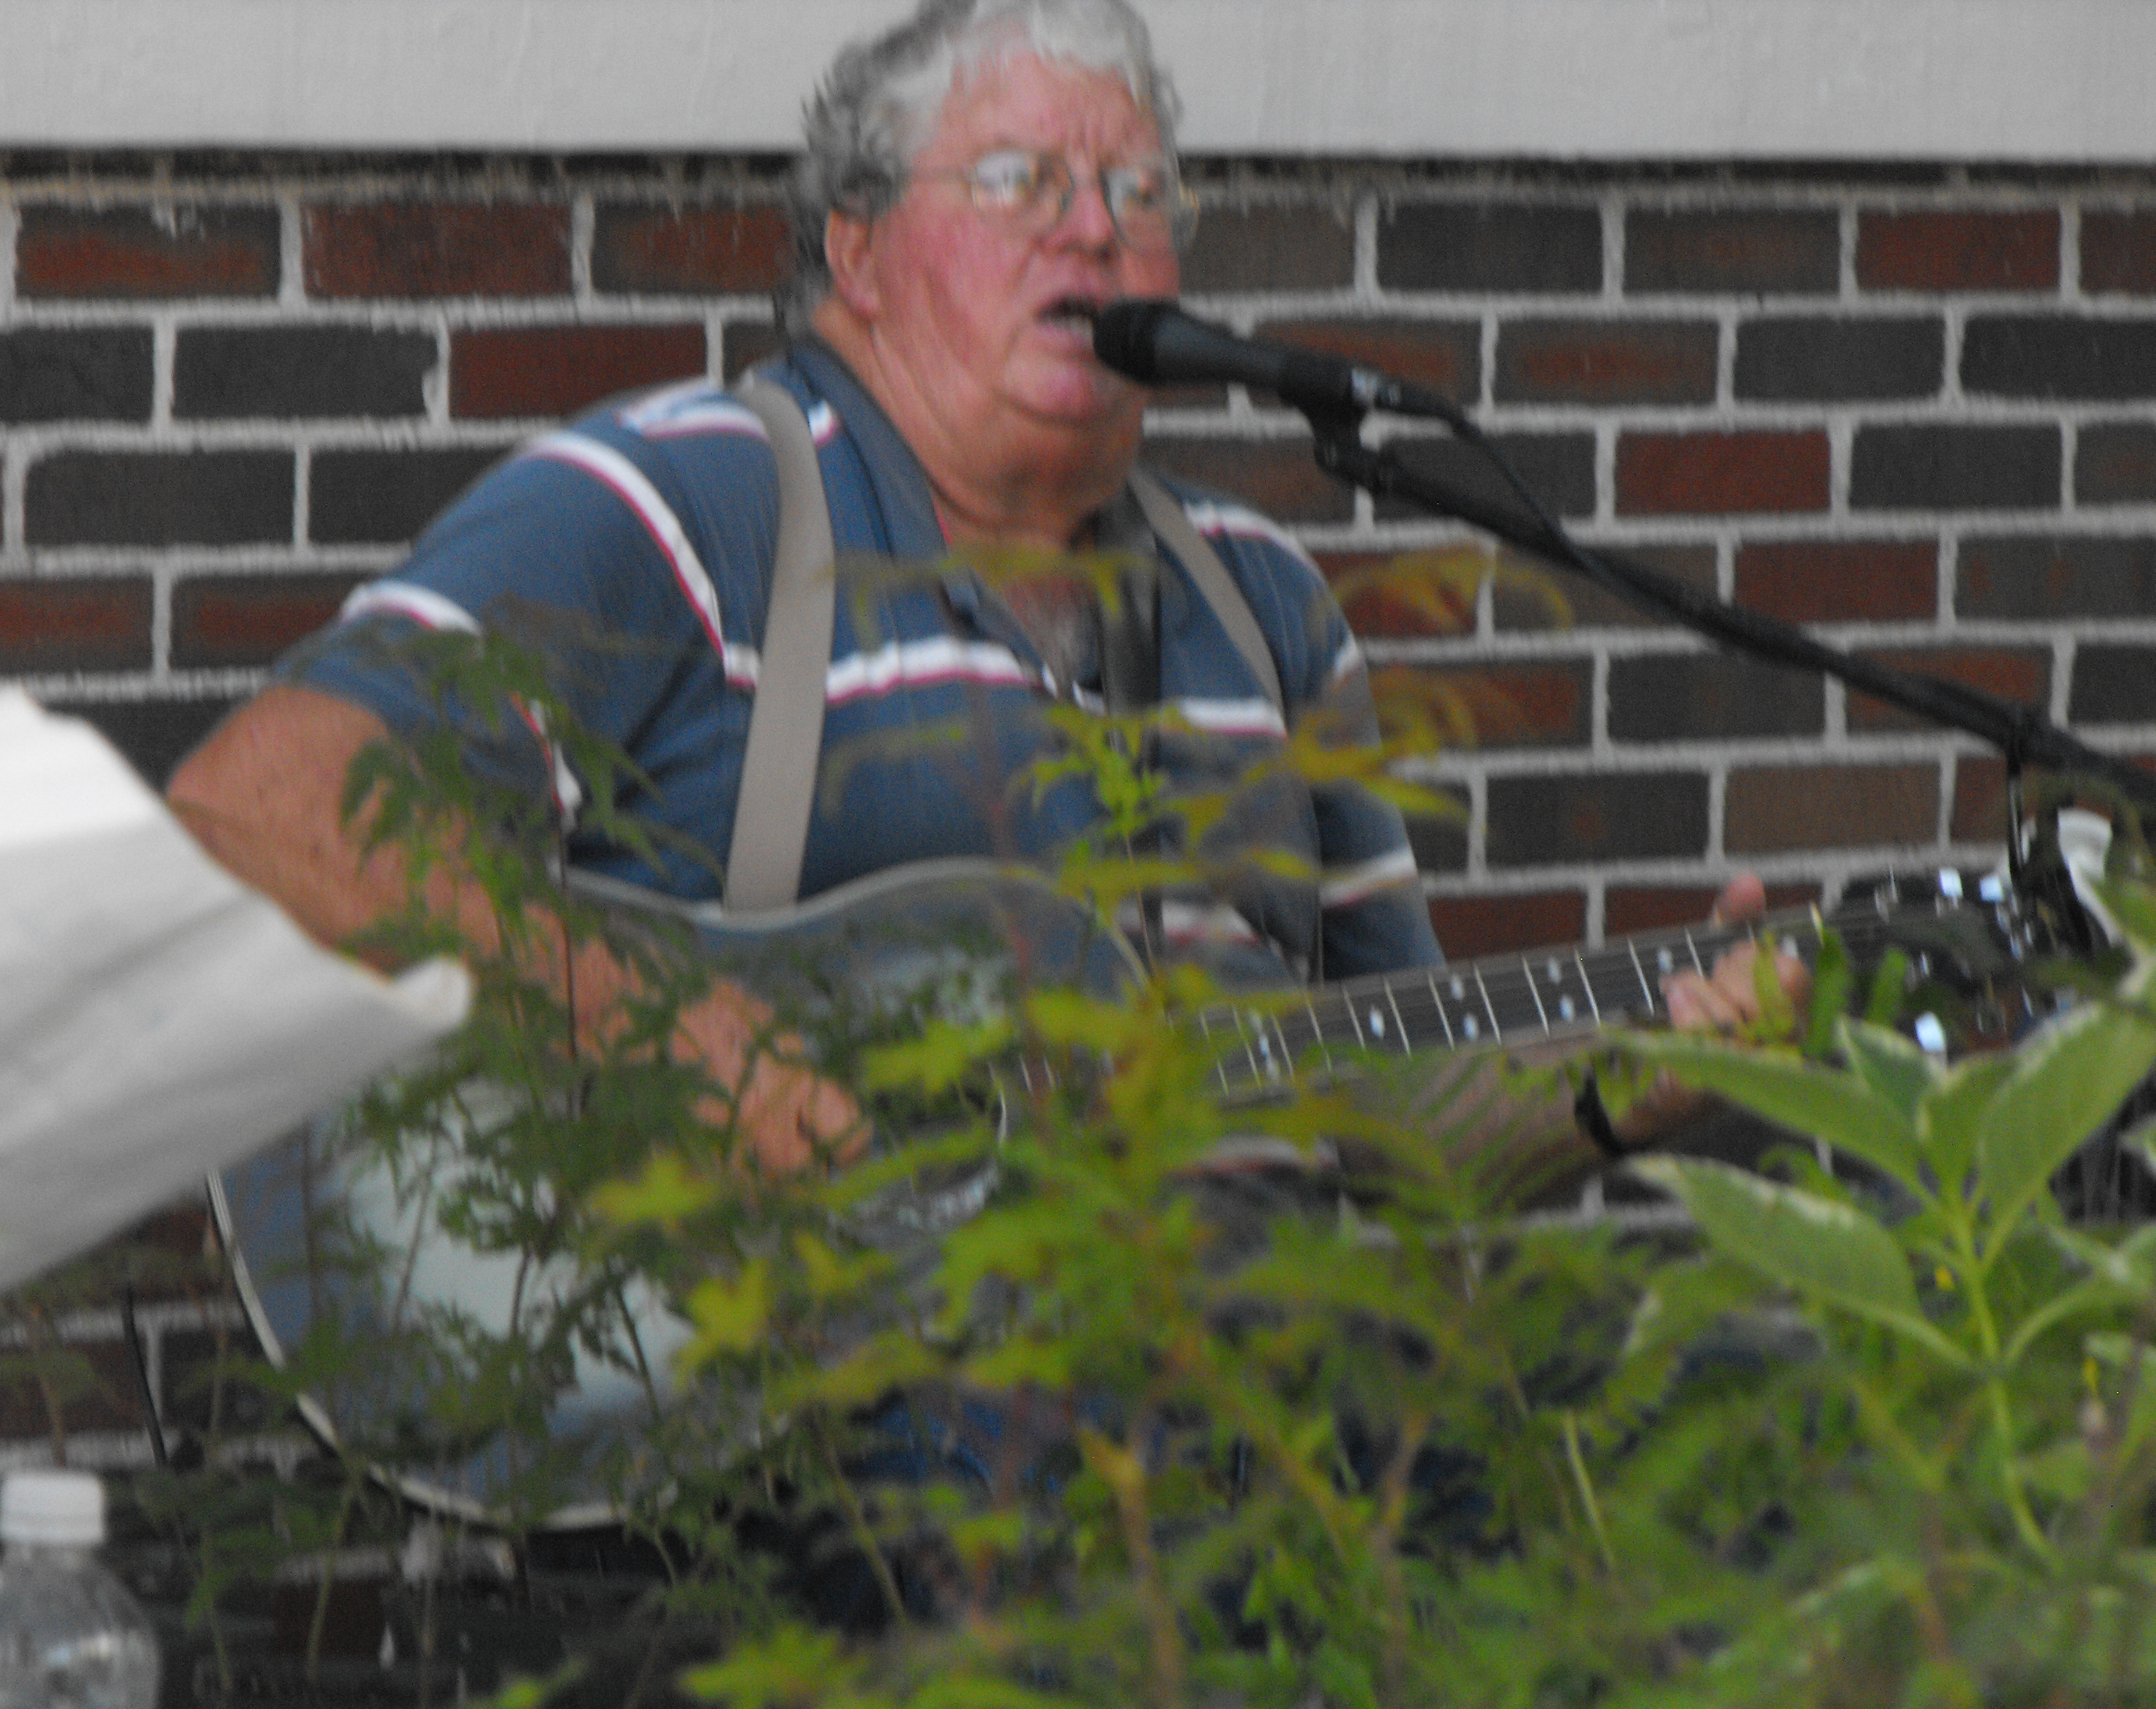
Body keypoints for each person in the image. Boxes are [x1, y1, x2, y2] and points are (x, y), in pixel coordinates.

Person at [166, 0, 1796, 1181]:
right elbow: (261, 805)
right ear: (857, 252)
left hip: (1223, 1457)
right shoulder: (680, 508)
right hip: (775, 1456)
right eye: (1020, 181)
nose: (1094, 236)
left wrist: (1629, 1084)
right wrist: (665, 1030)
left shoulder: (1265, 604)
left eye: (1140, 194)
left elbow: (1391, 1116)